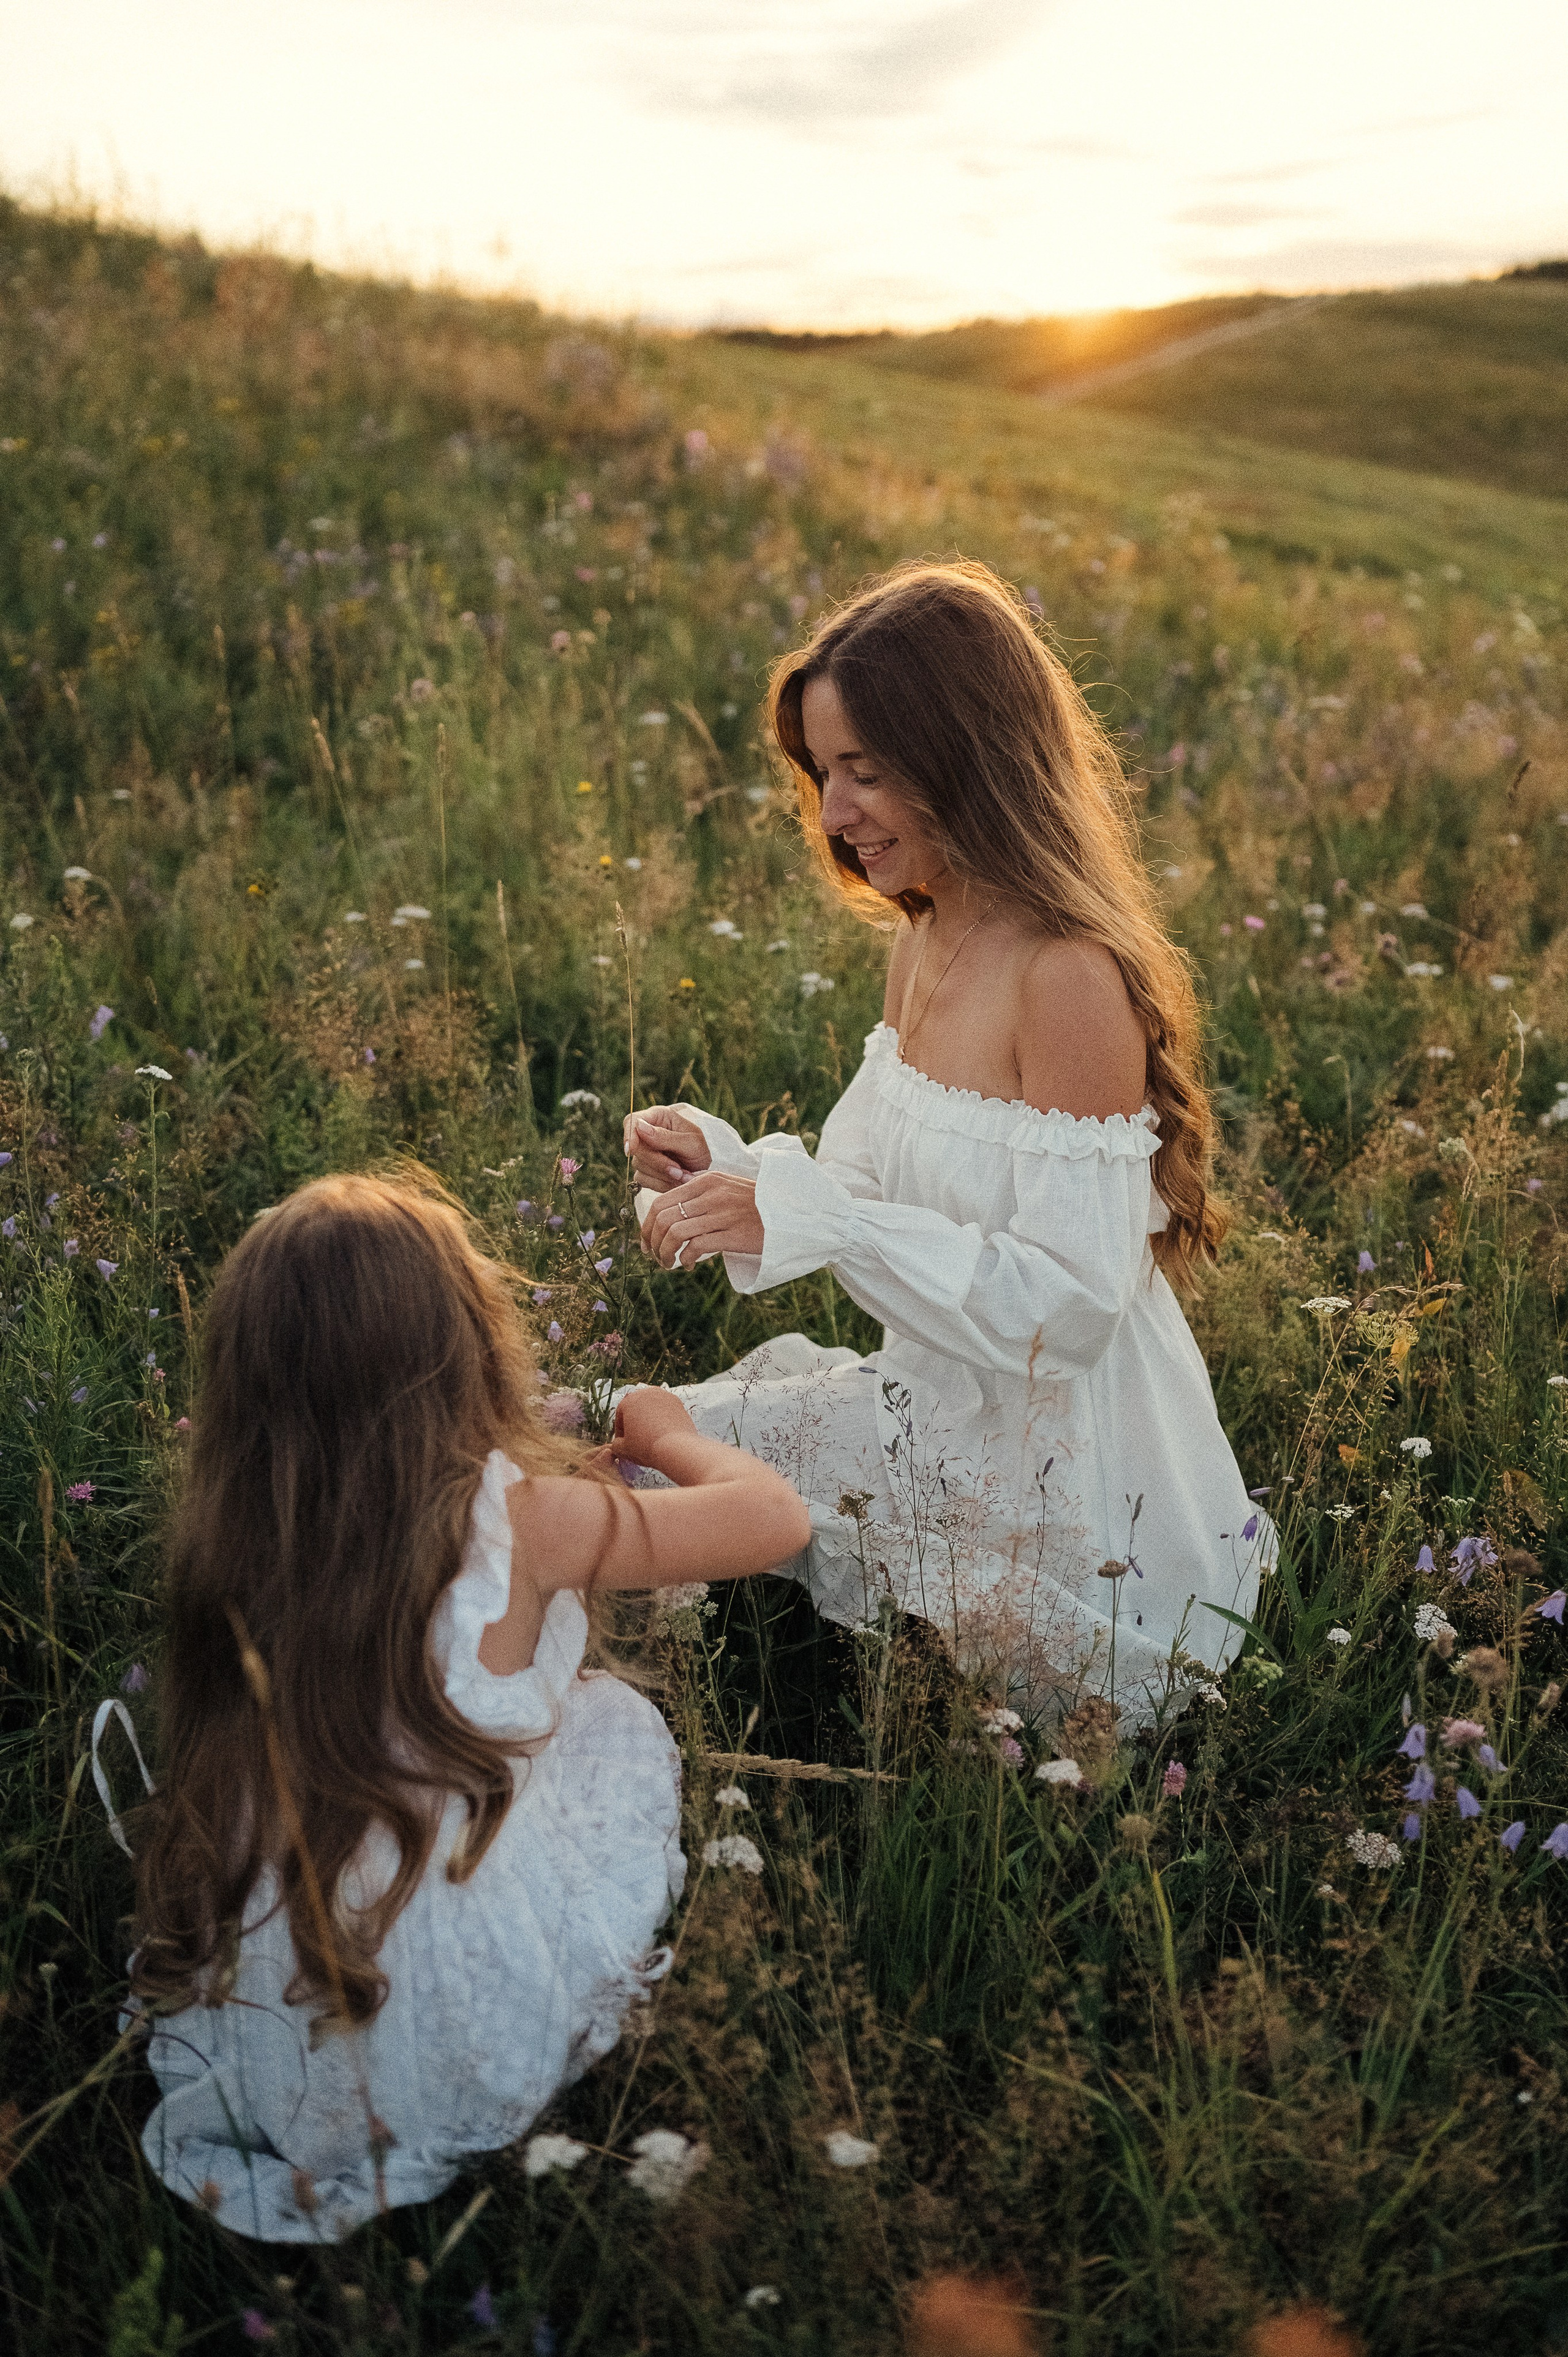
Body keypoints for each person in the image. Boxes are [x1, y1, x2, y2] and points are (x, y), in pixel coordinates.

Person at [625, 559, 1271, 1721]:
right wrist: (733, 1176)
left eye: (866, 772)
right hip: (931, 1403)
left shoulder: (1067, 978)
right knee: (622, 1437)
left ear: (968, 756)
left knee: (655, 1464)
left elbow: (1068, 1310)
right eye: (824, 772)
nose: (833, 814)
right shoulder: (925, 937)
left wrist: (814, 1220)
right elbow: (862, 1182)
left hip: (1075, 1494)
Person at [116, 1173, 810, 2242]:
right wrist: (666, 1433)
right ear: (463, 1351)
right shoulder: (523, 1523)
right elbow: (772, 1520)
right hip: (456, 2010)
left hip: (279, 1986)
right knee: (611, 1727)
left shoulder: (242, 1525)